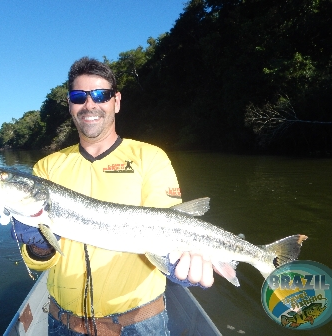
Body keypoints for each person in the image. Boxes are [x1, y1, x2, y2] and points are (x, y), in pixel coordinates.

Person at [12, 57, 215, 336]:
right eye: (78, 96)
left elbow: (170, 229)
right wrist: (39, 246)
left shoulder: (150, 157)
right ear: (70, 105)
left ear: (116, 101)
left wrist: (179, 265)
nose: (90, 104)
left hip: (139, 324)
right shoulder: (46, 167)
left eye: (101, 95)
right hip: (63, 323)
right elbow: (39, 260)